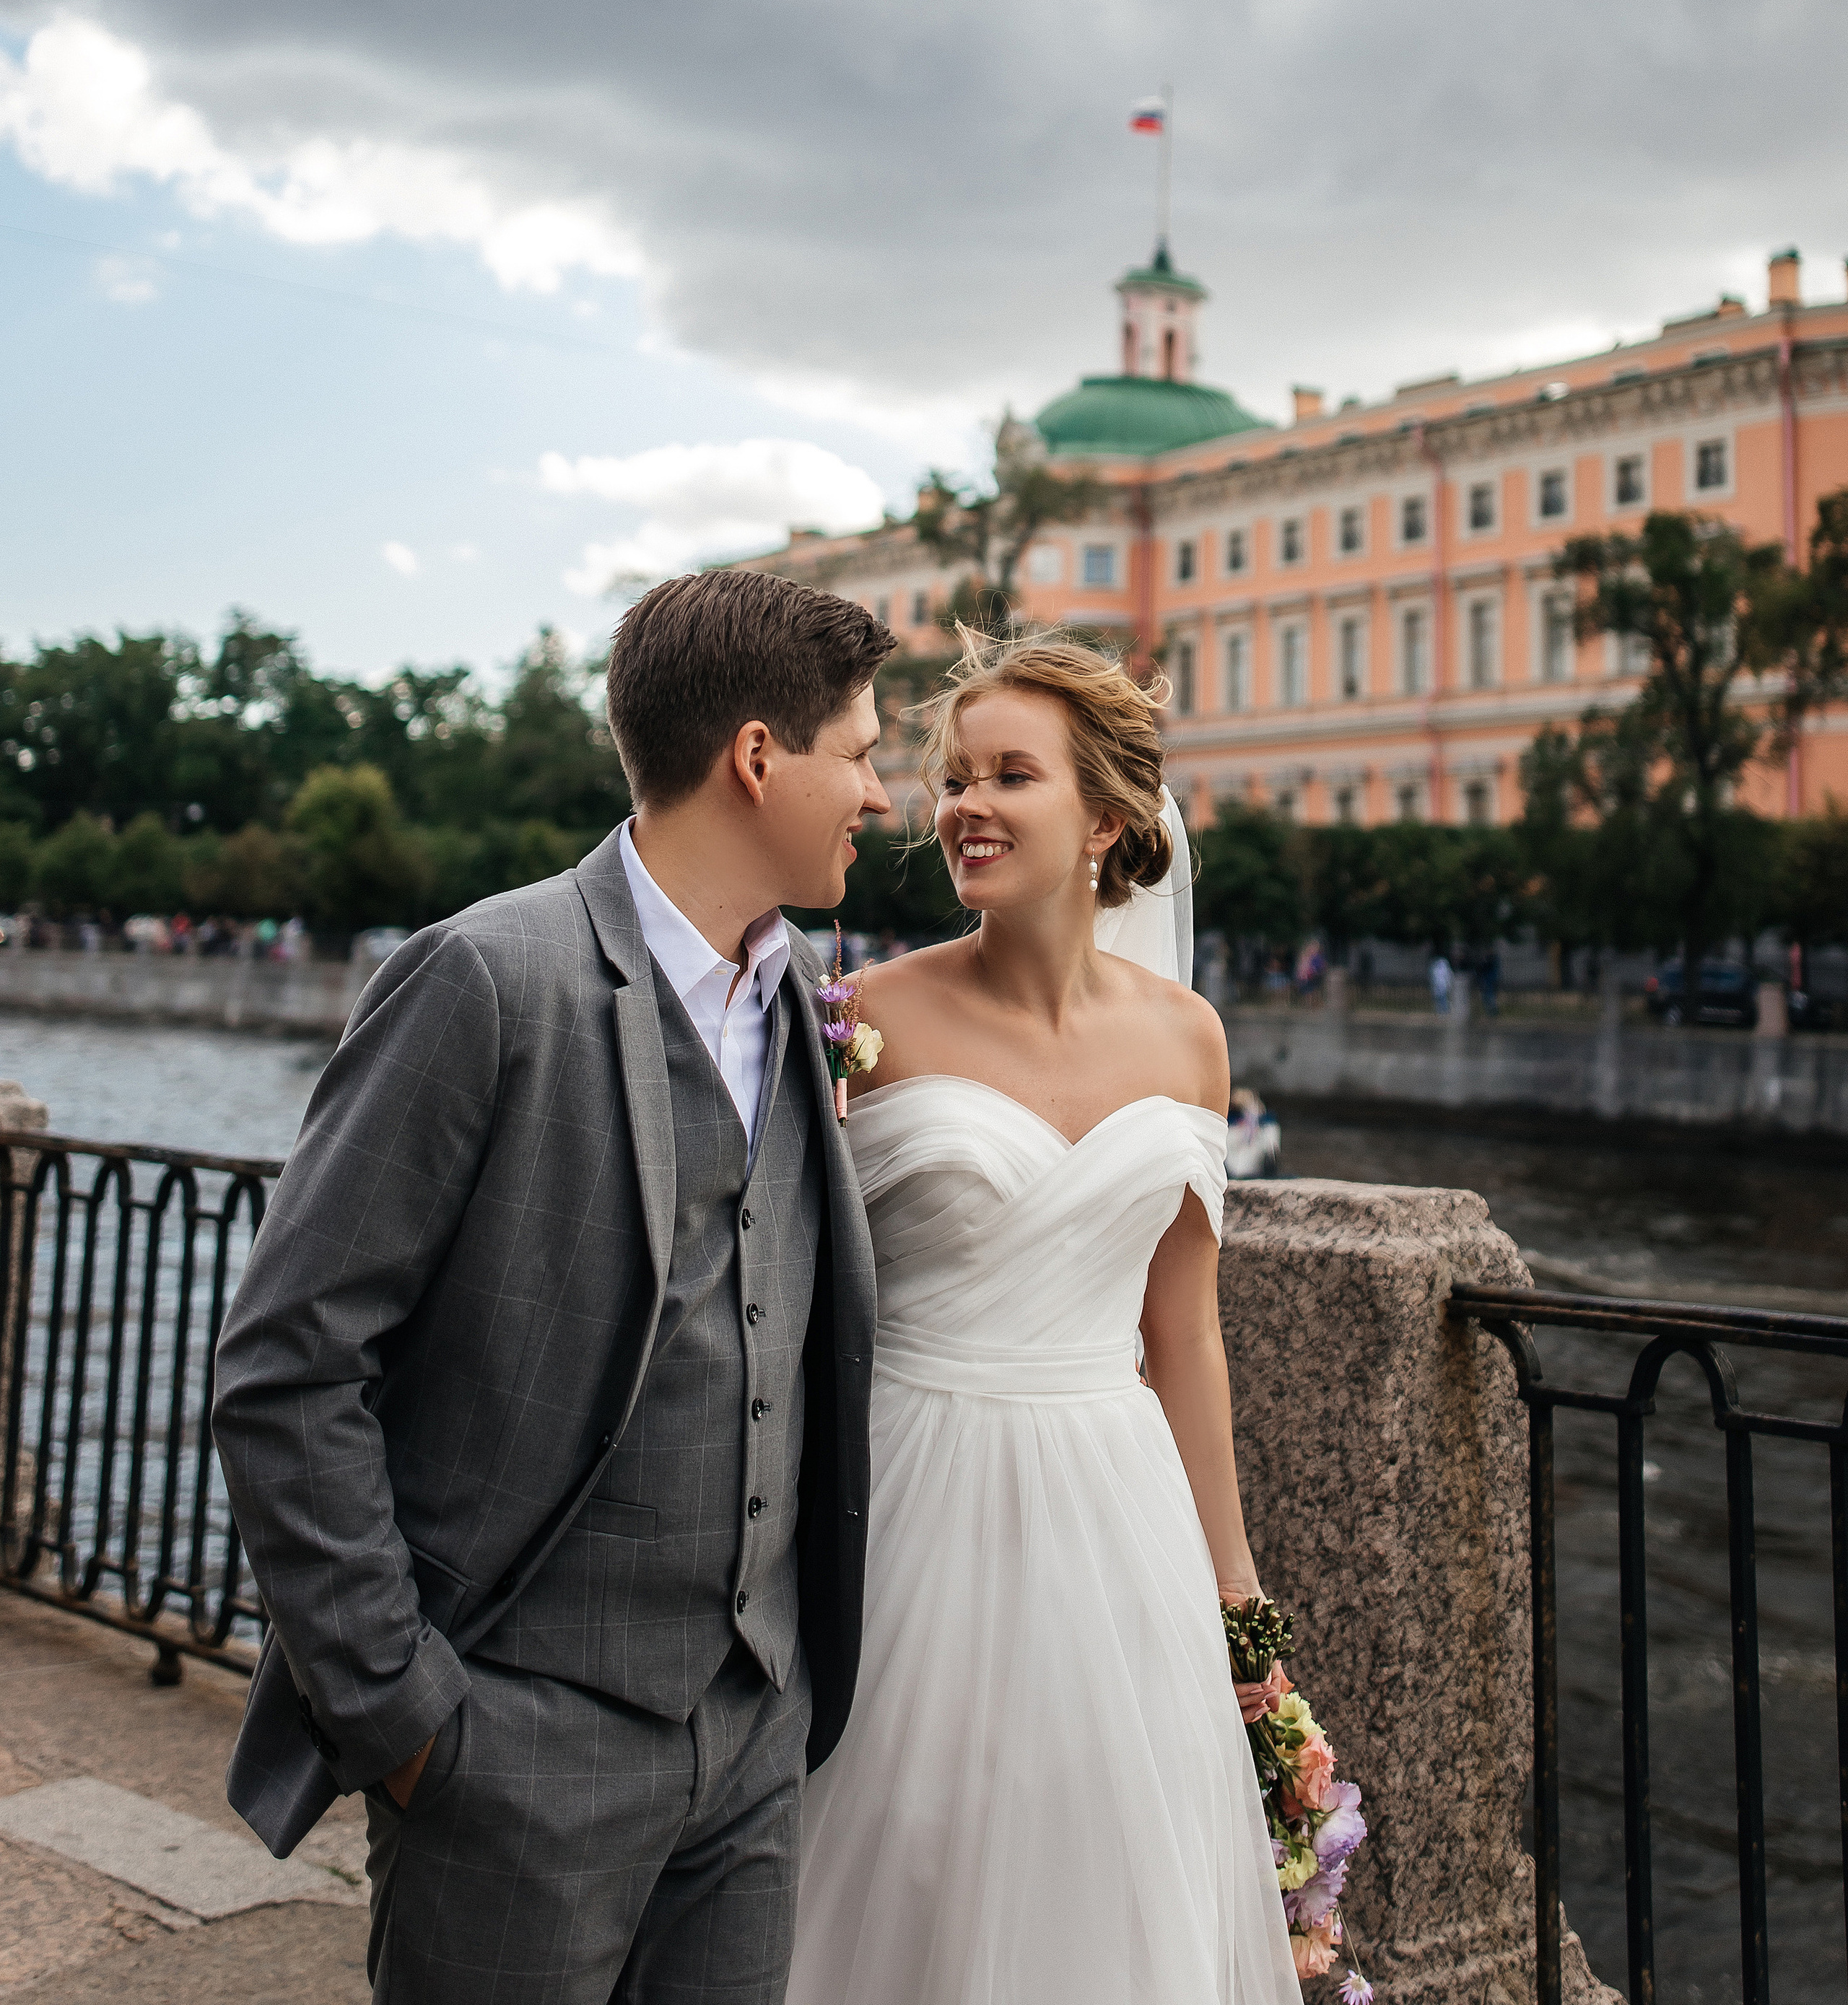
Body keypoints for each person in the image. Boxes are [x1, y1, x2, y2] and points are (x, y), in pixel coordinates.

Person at [212, 570, 896, 2005]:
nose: (881, 795)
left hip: (753, 1737)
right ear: (757, 757)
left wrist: (781, 1695)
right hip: (511, 1751)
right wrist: (408, 1720)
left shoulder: (802, 991)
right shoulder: (483, 977)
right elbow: (287, 1367)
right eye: (861, 752)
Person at [786, 632, 1300, 2005]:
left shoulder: (1190, 1038)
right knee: (904, 1856)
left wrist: (1234, 1589)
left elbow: (1183, 1337)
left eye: (1012, 775)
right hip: (907, 1495)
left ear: (1107, 821)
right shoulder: (861, 1017)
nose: (966, 805)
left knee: (1100, 1877)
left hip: (1115, 1514)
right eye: (957, 777)